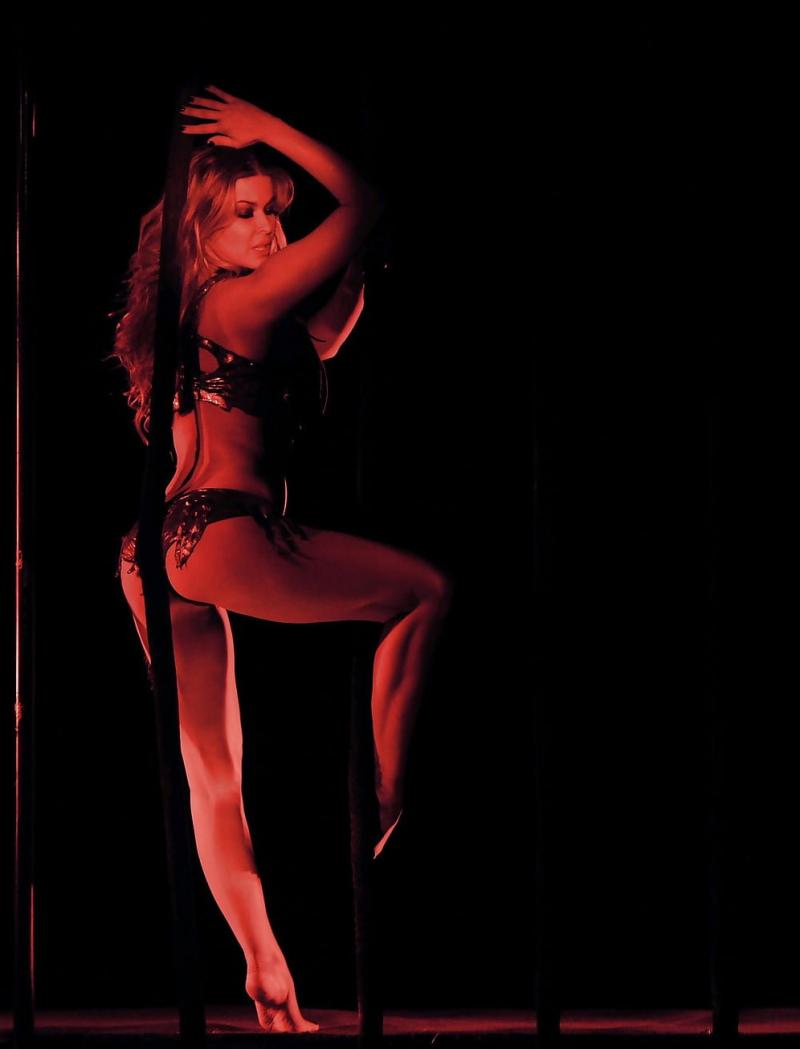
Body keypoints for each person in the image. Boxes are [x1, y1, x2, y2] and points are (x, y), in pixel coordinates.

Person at [108, 84, 453, 1033]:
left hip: (151, 549)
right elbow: (365, 202)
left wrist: (356, 265)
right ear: (202, 230)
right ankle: (383, 791)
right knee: (423, 590)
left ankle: (265, 968)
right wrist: (269, 132)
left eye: (275, 212)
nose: (269, 230)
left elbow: (326, 337)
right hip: (223, 530)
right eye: (246, 213)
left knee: (214, 777)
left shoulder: (194, 312)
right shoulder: (238, 299)